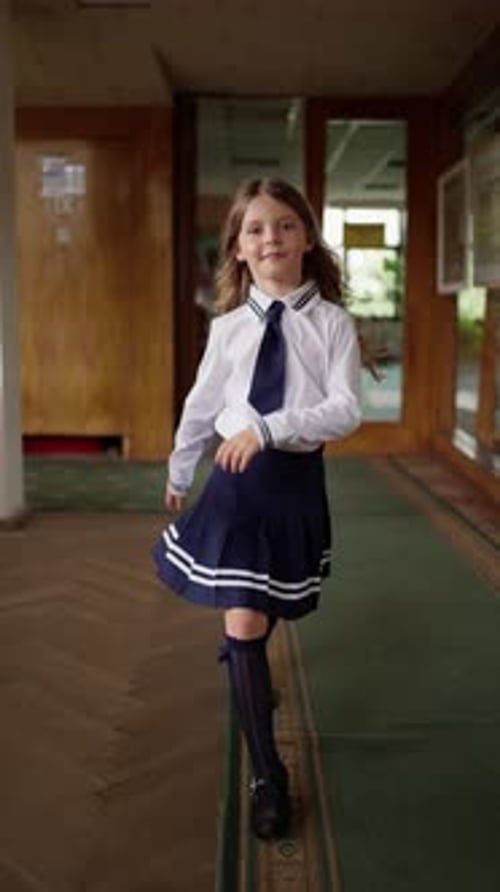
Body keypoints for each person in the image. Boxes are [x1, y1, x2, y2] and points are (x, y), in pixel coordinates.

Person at [152, 177, 362, 841]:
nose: (270, 237)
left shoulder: (332, 324)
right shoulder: (227, 329)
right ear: (238, 250)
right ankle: (268, 775)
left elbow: (346, 409)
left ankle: (244, 663)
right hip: (237, 482)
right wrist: (181, 464)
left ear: (305, 237)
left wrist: (270, 429)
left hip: (292, 479)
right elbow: (203, 401)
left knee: (265, 605)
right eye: (255, 230)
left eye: (284, 225)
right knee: (243, 617)